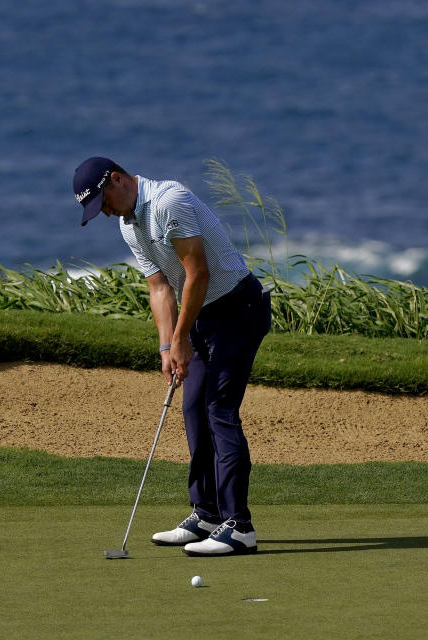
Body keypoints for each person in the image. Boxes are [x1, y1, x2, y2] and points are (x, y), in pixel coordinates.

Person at [73, 157, 271, 557]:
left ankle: (240, 526)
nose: (105, 211)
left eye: (103, 201)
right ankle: (208, 514)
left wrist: (182, 337)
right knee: (193, 408)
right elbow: (160, 287)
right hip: (202, 314)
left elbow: (198, 273)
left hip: (237, 309)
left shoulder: (168, 202)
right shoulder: (129, 224)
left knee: (219, 409)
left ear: (117, 180)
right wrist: (168, 346)